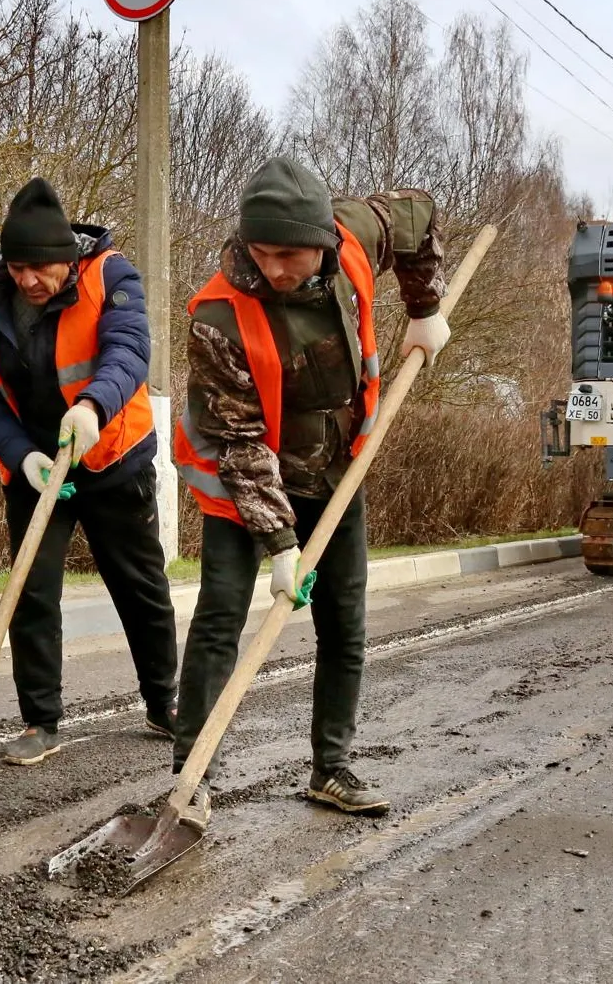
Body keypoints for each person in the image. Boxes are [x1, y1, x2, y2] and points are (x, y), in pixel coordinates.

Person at [171, 156, 449, 831]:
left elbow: (417, 214)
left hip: (335, 472)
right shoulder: (218, 316)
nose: (273, 268)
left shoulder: (354, 237)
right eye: (260, 252)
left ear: (322, 241)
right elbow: (239, 441)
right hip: (245, 483)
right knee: (220, 620)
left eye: (289, 255)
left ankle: (332, 767)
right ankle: (190, 779)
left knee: (344, 623)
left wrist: (425, 308)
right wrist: (281, 546)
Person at [0, 177, 178, 766]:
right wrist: (20, 456)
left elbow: (129, 352)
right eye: (18, 267)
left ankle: (164, 701)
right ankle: (40, 720)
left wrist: (91, 407)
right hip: (37, 466)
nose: (29, 280)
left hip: (110, 454)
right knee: (31, 591)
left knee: (139, 586)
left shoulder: (111, 277)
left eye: (41, 268)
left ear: (67, 259)